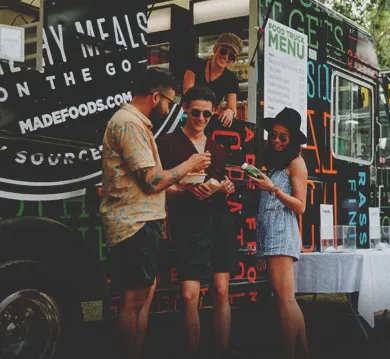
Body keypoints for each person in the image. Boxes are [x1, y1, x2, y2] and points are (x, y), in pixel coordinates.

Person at [100, 68, 212, 359]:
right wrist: (190, 165)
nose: (169, 110)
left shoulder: (134, 123)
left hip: (142, 221)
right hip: (134, 224)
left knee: (141, 297)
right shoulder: (128, 124)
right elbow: (151, 181)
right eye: (169, 102)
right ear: (154, 96)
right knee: (134, 299)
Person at [156, 86, 239, 359]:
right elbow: (157, 185)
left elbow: (224, 179)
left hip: (220, 221)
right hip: (188, 224)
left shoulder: (218, 148)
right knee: (190, 295)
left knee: (220, 290)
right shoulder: (168, 143)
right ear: (185, 109)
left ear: (213, 113)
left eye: (206, 113)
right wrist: (185, 189)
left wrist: (225, 187)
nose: (200, 118)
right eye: (195, 112)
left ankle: (222, 351)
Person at [250, 107, 309, 359]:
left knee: (285, 300)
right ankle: (303, 352)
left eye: (282, 137)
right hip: (271, 234)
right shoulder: (276, 162)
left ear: (292, 140)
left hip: (282, 233)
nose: (276, 141)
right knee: (287, 300)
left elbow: (300, 205)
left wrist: (273, 189)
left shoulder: (296, 162)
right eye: (273, 135)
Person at [183, 32, 243, 128]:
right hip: (186, 117)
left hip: (206, 122)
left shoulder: (231, 79)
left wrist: (230, 112)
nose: (226, 57)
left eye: (231, 56)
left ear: (234, 60)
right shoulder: (195, 64)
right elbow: (187, 92)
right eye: (223, 51)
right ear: (215, 49)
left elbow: (232, 109)